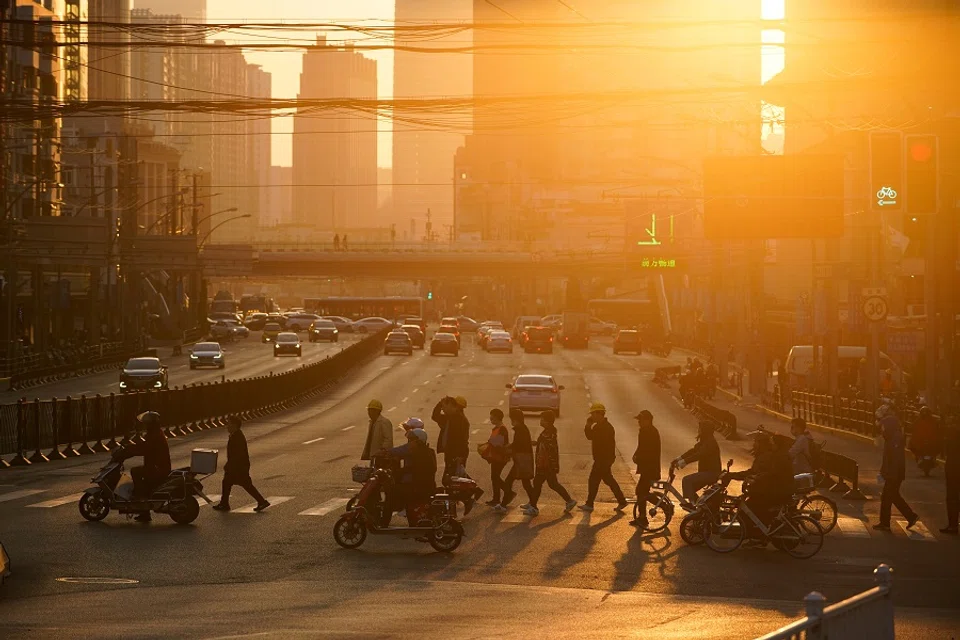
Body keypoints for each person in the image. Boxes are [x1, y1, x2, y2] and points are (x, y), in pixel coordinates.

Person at [728, 430, 794, 531]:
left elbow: (767, 474)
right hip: (775, 488)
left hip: (776, 490)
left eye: (756, 442)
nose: (754, 445)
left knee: (749, 509)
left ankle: (758, 535)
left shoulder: (769, 457)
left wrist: (756, 477)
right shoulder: (772, 455)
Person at [874, 406, 919, 531]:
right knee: (892, 496)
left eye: (883, 427)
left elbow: (895, 460)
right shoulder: (891, 437)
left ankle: (886, 522)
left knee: (888, 496)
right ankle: (910, 517)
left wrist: (889, 474)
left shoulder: (894, 439)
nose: (882, 430)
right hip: (892, 473)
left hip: (894, 474)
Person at [122, 411, 172, 522]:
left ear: (151, 424)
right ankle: (143, 507)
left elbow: (144, 448)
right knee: (138, 472)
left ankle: (142, 502)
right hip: (155, 467)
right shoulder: (154, 433)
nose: (145, 425)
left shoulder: (155, 435)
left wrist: (129, 451)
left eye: (147, 423)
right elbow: (143, 446)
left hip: (157, 469)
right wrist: (129, 447)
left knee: (135, 472)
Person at [524, 411, 576, 516]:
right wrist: (535, 443)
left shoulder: (549, 433)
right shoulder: (548, 432)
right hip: (546, 464)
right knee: (551, 484)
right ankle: (569, 501)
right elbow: (543, 444)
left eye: (542, 419)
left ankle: (533, 507)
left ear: (547, 421)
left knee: (539, 483)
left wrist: (544, 462)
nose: (541, 421)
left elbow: (548, 448)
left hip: (546, 464)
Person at [213, 416, 270, 512]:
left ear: (234, 425)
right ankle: (224, 503)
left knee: (245, 484)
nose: (227, 426)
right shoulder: (235, 435)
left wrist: (229, 465)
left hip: (239, 466)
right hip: (237, 465)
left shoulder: (237, 437)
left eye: (229, 424)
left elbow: (237, 454)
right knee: (228, 482)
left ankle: (261, 501)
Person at [580, 402, 627, 513]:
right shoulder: (598, 427)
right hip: (602, 459)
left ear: (599, 414)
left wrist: (604, 461)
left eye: (593, 414)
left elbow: (603, 444)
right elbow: (590, 436)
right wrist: (588, 426)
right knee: (608, 480)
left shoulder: (606, 428)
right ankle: (622, 500)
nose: (591, 416)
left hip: (603, 459)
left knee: (593, 480)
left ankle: (589, 504)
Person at [673, 420, 721, 503]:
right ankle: (698, 506)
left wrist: (683, 462)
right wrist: (679, 458)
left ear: (705, 430)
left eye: (700, 428)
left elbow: (699, 454)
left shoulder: (710, 442)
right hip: (707, 472)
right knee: (689, 488)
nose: (698, 430)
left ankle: (693, 505)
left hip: (711, 473)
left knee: (687, 481)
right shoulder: (705, 440)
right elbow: (693, 450)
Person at [496, 409, 534, 512]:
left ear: (515, 419)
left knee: (510, 481)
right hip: (522, 460)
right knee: (525, 483)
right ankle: (532, 503)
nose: (511, 421)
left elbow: (519, 444)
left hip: (522, 460)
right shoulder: (521, 428)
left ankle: (504, 505)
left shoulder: (520, 429)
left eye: (512, 418)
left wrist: (508, 449)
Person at [630, 409, 661, 527]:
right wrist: (636, 454)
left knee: (641, 491)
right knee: (642, 491)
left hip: (650, 468)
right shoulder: (644, 431)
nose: (639, 422)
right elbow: (641, 447)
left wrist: (639, 458)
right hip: (646, 468)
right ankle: (642, 517)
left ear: (648, 420)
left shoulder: (650, 432)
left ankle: (663, 506)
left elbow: (650, 452)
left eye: (641, 420)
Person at [432, 395, 471, 479]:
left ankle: (474, 489)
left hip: (456, 454)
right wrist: (440, 404)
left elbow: (463, 440)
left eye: (445, 407)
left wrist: (460, 456)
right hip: (450, 452)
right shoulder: (449, 418)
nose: (443, 409)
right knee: (453, 478)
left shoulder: (461, 421)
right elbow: (435, 416)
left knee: (455, 479)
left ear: (455, 407)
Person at [484, 409, 511, 506]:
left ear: (497, 417)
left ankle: (507, 493)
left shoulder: (502, 429)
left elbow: (499, 443)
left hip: (500, 457)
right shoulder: (497, 428)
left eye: (492, 417)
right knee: (495, 477)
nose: (491, 419)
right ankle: (497, 498)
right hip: (496, 457)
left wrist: (490, 442)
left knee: (495, 477)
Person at [940, 415, 959, 534]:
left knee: (952, 497)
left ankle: (953, 525)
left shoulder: (952, 433)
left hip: (954, 467)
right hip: (953, 466)